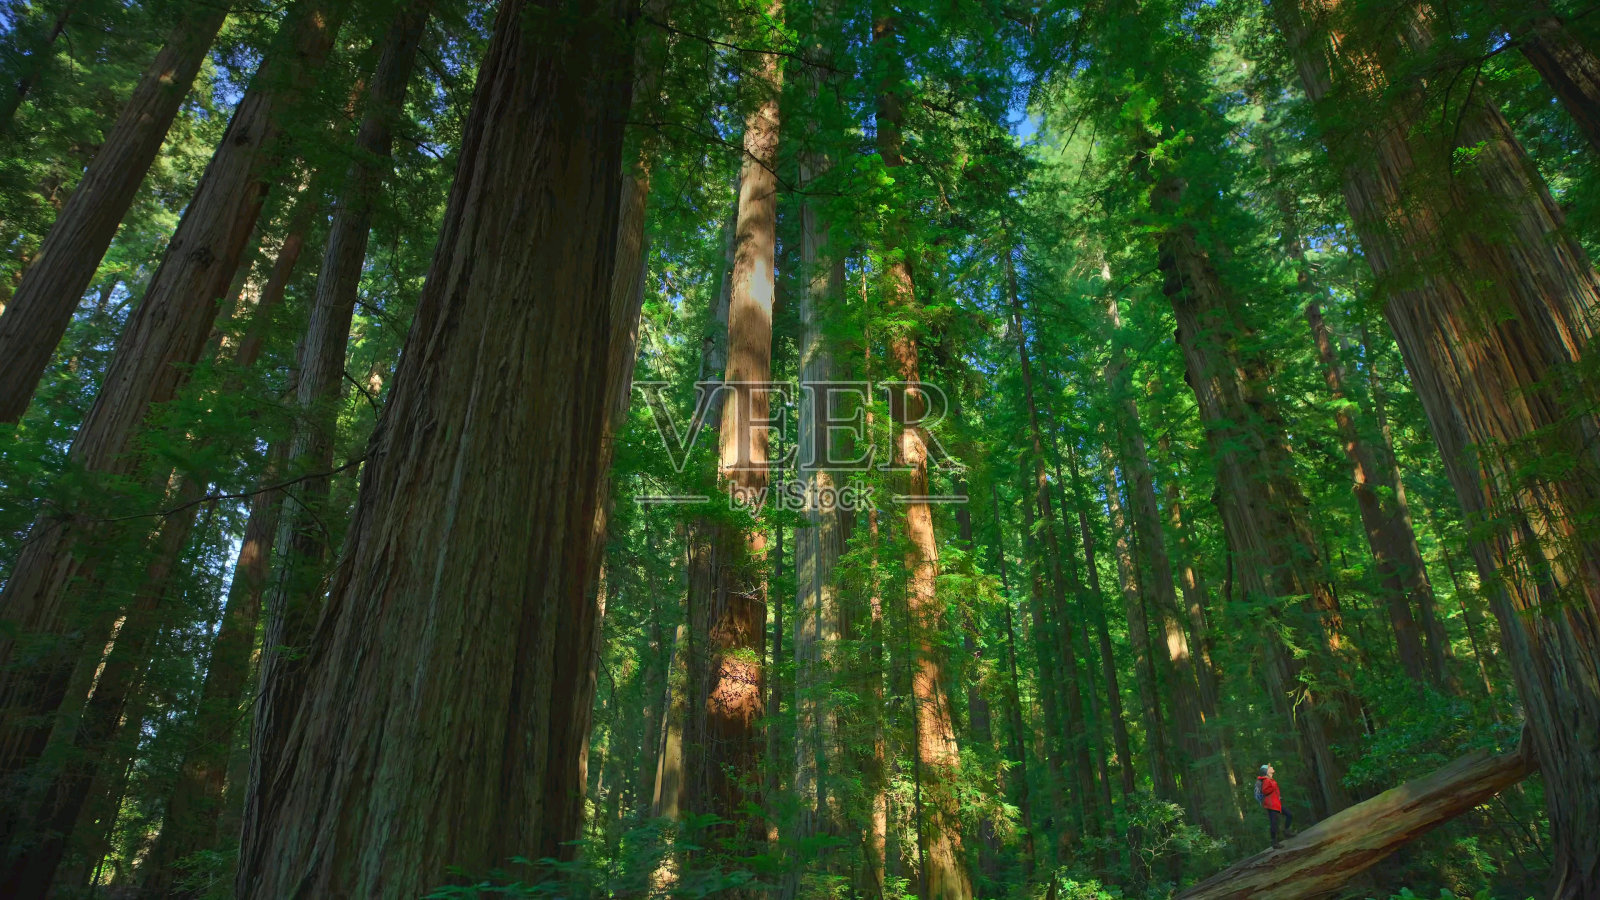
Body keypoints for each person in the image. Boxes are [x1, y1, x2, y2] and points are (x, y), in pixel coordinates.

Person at [1256, 764, 1293, 848]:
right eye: (1270, 767)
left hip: (1276, 803)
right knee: (1274, 823)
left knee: (1289, 814)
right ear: (1266, 771)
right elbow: (1265, 791)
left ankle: (1286, 832)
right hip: (1271, 805)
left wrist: (1278, 796)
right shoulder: (1266, 780)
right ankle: (1274, 842)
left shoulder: (1270, 780)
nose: (1272, 767)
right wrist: (1272, 788)